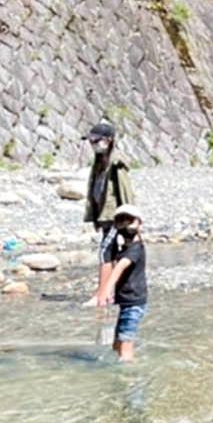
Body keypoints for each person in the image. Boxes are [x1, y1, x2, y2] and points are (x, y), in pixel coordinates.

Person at [82, 121, 136, 300]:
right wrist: (95, 218)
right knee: (111, 252)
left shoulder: (116, 164)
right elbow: (95, 193)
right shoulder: (99, 163)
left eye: (97, 140)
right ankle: (110, 293)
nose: (93, 144)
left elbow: (125, 192)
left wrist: (131, 218)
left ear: (109, 140)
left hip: (116, 216)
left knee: (104, 251)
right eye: (91, 141)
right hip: (104, 216)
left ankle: (101, 294)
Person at [94, 207, 147, 363]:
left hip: (134, 304)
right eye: (121, 221)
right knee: (116, 345)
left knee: (125, 347)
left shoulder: (136, 249)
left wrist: (104, 291)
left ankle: (130, 380)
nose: (125, 225)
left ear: (139, 224)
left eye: (129, 221)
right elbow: (106, 253)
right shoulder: (125, 247)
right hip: (126, 302)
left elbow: (119, 267)